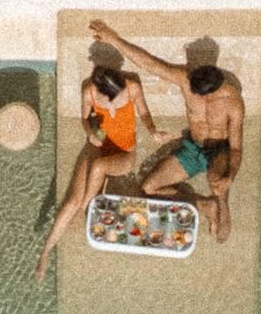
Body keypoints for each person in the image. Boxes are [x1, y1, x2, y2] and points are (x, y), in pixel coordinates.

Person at [88, 19, 245, 243]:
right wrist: (113, 39)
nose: (196, 97)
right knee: (149, 189)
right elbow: (151, 64)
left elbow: (237, 147)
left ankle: (221, 198)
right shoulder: (187, 79)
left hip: (219, 152)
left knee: (221, 228)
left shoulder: (233, 102)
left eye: (203, 95)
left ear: (216, 90)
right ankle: (204, 204)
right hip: (193, 148)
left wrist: (230, 175)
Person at [35, 65, 170, 280]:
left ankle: (83, 210)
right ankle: (45, 253)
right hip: (98, 145)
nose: (114, 101)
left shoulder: (132, 87)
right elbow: (85, 118)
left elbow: (143, 112)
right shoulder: (89, 91)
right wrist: (90, 133)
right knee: (71, 201)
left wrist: (152, 130)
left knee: (97, 170)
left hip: (125, 153)